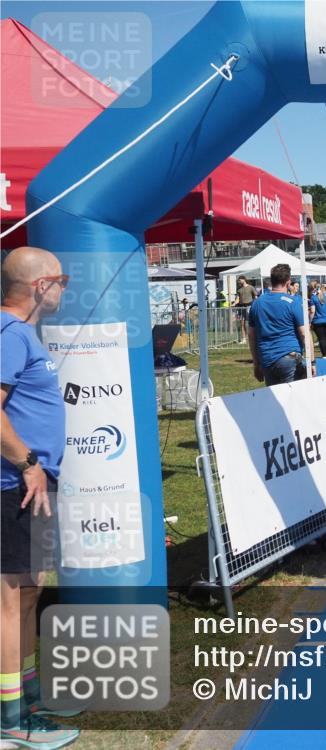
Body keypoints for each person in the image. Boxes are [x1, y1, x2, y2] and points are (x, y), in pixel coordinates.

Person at [1, 247, 80, 749]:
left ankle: (26, 699)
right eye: (61, 279)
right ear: (38, 286)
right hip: (13, 486)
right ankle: (10, 722)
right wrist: (28, 464)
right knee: (9, 603)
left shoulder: (23, 335)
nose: (65, 288)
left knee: (29, 593)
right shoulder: (9, 335)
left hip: (32, 486)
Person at [247, 264, 310, 385]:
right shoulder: (293, 302)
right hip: (289, 357)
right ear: (288, 282)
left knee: (275, 400)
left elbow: (251, 335)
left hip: (267, 359)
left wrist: (256, 364)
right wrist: (311, 361)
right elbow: (304, 334)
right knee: (292, 399)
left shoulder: (257, 303)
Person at [308, 283, 326, 358]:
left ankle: (325, 355)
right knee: (325, 338)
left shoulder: (313, 298)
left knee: (321, 339)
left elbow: (312, 311)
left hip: (317, 321)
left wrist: (310, 321)